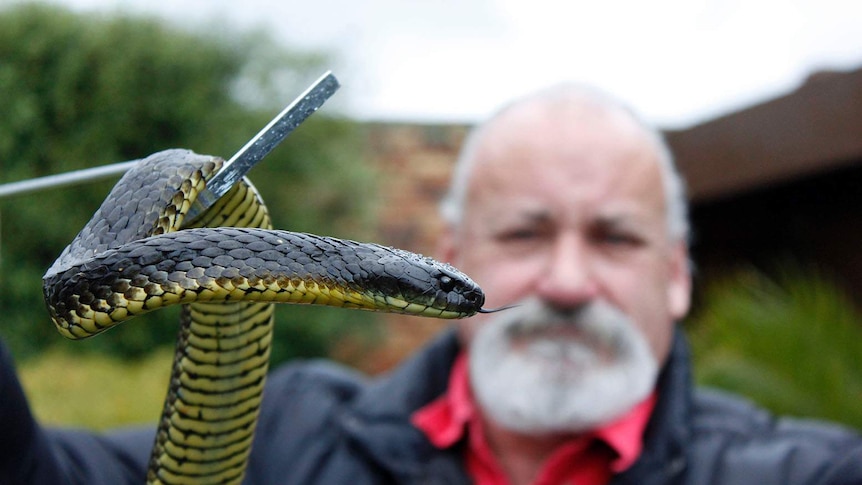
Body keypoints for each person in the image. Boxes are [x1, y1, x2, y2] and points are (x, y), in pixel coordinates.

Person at [2, 84, 862, 484]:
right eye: (524, 231)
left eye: (615, 237)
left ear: (678, 275)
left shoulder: (802, 472)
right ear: (451, 248)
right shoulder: (291, 434)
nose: (564, 280)